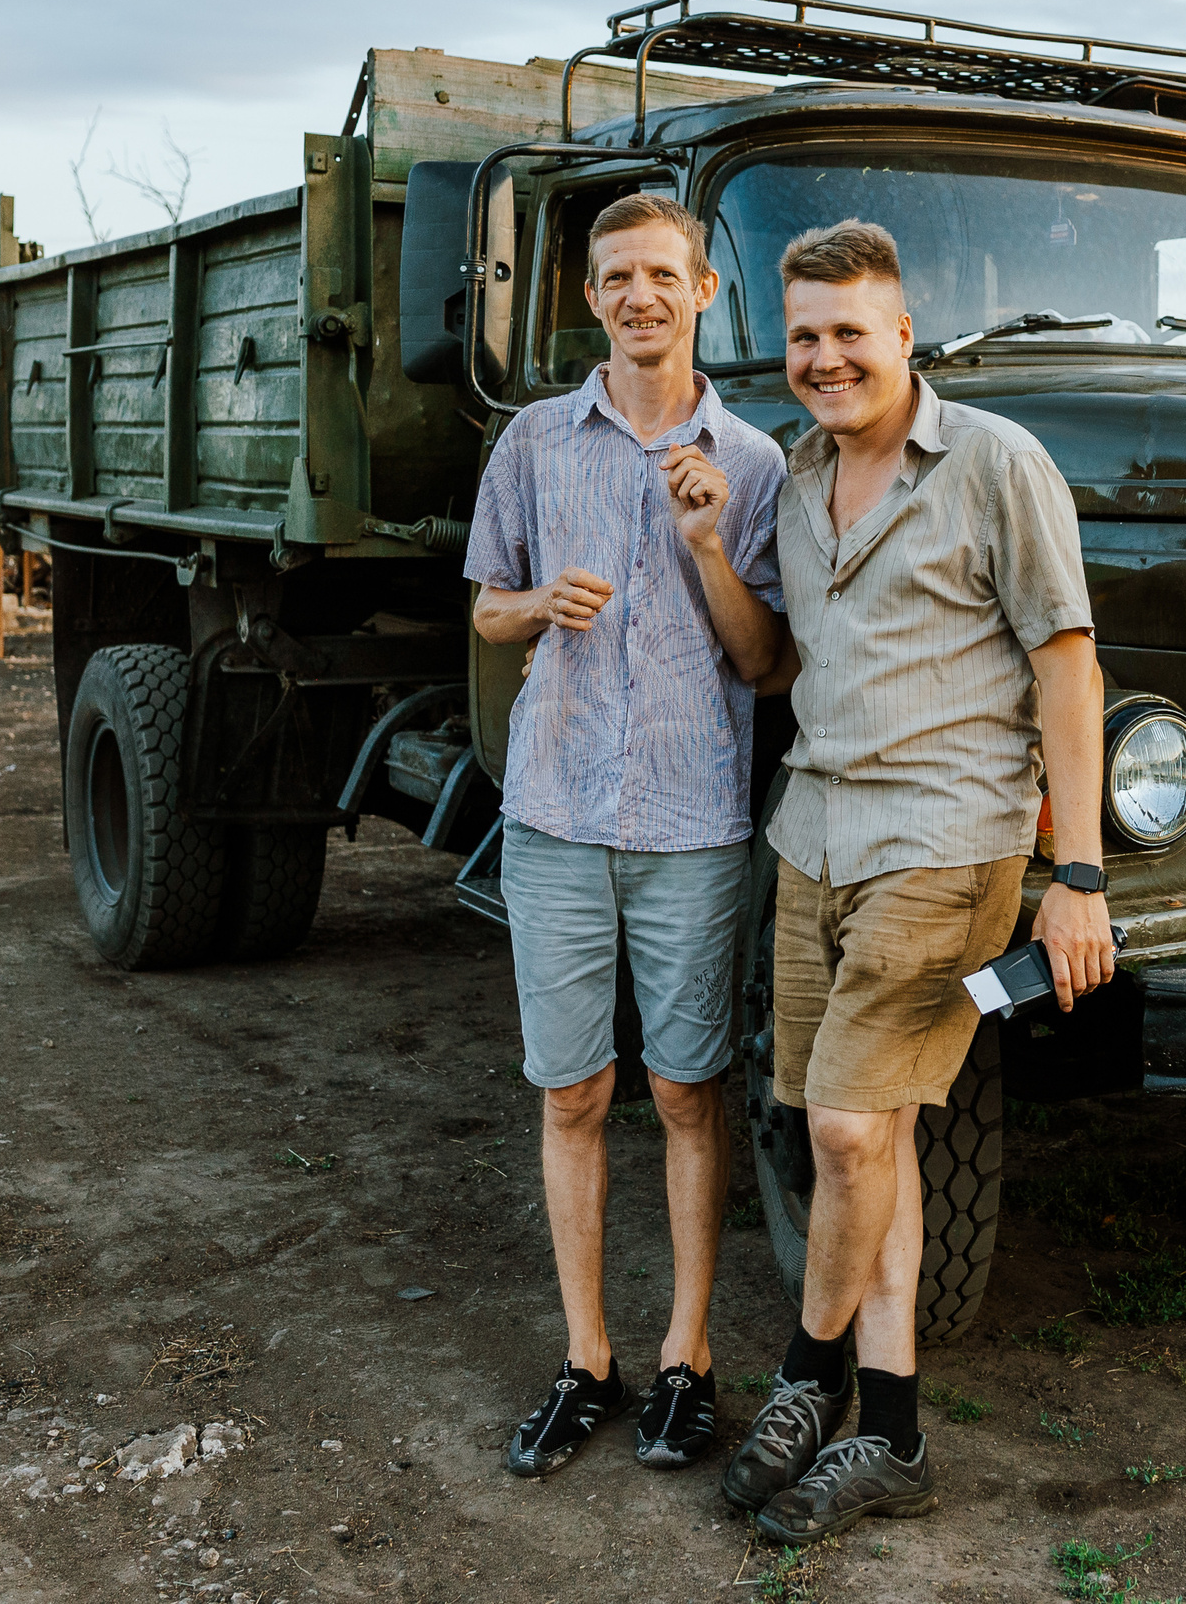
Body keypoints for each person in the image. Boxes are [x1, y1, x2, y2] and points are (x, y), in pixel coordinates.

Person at [722, 220, 1113, 1542]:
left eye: (852, 331)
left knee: (838, 1129)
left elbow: (1067, 662)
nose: (828, 358)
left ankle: (805, 1373)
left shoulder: (996, 462)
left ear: (904, 334)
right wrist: (704, 553)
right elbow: (774, 665)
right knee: (870, 1133)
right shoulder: (788, 479)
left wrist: (1080, 873)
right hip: (816, 835)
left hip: (947, 844)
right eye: (807, 335)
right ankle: (890, 1432)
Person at [465, 191, 786, 1478]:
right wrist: (542, 600)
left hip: (690, 821)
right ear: (589, 298)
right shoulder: (538, 443)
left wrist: (707, 541)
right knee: (576, 1091)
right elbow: (488, 612)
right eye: (615, 278)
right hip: (552, 811)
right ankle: (587, 1357)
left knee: (688, 1092)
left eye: (663, 274)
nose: (639, 295)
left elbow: (764, 665)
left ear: (703, 293)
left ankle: (685, 1359)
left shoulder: (755, 464)